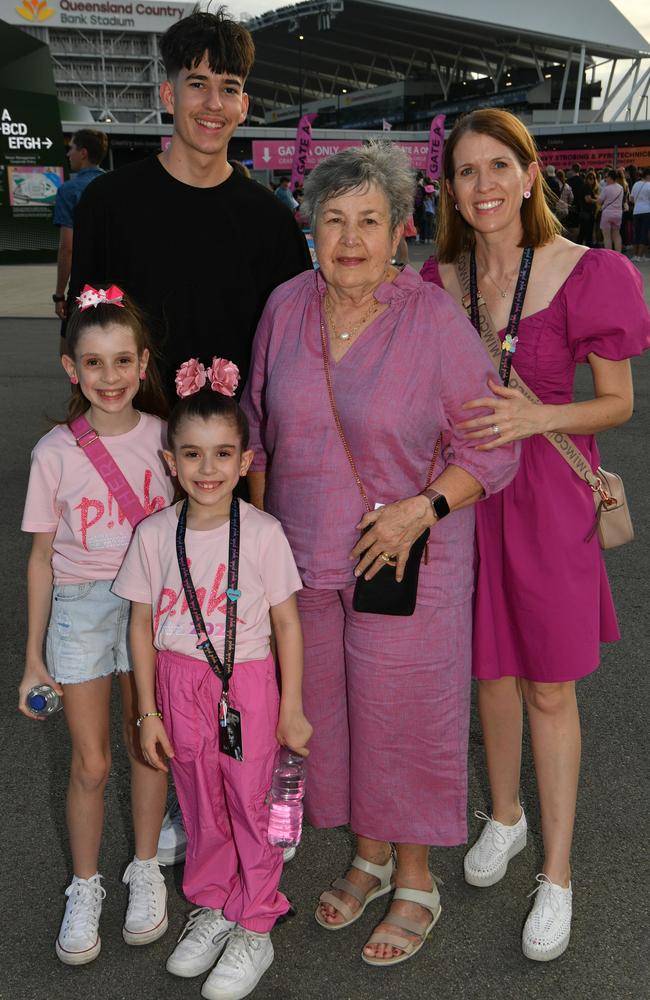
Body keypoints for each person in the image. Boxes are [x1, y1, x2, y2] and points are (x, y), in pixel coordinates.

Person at [241, 142, 519, 968]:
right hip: (304, 565)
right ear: (311, 229)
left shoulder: (430, 319)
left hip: (410, 565)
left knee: (404, 722)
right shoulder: (285, 306)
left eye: (370, 220)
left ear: (401, 232)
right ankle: (366, 854)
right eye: (334, 219)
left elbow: (492, 449)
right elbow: (259, 433)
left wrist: (421, 509)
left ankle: (415, 879)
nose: (351, 238)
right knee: (332, 717)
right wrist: (252, 558)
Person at [421, 107, 650, 962]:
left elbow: (618, 403)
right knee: (489, 672)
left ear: (529, 174)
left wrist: (537, 415)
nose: (482, 186)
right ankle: (506, 817)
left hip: (551, 496)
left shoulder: (589, 270)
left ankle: (556, 872)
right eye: (466, 171)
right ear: (450, 187)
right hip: (469, 498)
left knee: (550, 685)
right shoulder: (438, 278)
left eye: (497, 167)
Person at [113, 365, 311, 1000]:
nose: (207, 469)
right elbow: (140, 625)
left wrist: (293, 707)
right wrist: (147, 711)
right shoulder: (151, 535)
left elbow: (287, 624)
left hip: (246, 684)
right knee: (199, 801)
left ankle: (256, 918)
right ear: (170, 460)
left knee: (252, 803)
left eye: (223, 454)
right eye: (192, 454)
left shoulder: (262, 533)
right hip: (178, 685)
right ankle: (216, 903)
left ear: (244, 458)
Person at [18, 287, 174, 965]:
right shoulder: (54, 451)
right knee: (91, 762)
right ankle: (85, 886)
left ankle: (145, 868)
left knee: (149, 746)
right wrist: (32, 656)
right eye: (93, 363)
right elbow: (42, 558)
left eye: (121, 361)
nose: (108, 377)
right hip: (80, 608)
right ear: (69, 369)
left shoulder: (168, 439)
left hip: (150, 609)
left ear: (143, 363)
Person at [68, 8, 312, 396]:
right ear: (169, 94)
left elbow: (296, 350)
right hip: (134, 437)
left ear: (244, 105)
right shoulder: (108, 203)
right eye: (198, 84)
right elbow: (82, 331)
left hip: (235, 446)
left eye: (229, 88)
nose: (214, 103)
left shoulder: (272, 221)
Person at [52, 130, 108, 344]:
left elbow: (67, 248)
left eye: (71, 148)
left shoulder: (69, 191)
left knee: (72, 353)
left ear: (83, 153)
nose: (68, 154)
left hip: (84, 287)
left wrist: (59, 296)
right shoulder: (116, 186)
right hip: (116, 287)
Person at [598, 169, 624, 252]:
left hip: (607, 214)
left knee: (607, 237)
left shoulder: (606, 189)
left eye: (607, 177)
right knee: (616, 235)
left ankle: (609, 256)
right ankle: (619, 255)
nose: (606, 179)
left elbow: (599, 201)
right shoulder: (621, 188)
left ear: (610, 177)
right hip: (618, 214)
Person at [630, 166, 650, 263]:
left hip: (636, 211)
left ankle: (635, 255)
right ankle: (640, 255)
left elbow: (631, 199)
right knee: (644, 233)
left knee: (636, 233)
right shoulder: (649, 185)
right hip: (647, 211)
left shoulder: (636, 184)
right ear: (648, 176)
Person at [578, 170, 599, 246]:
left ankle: (581, 246)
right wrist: (597, 200)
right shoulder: (587, 187)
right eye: (590, 178)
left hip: (587, 213)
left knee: (583, 232)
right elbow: (588, 199)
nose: (592, 180)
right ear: (586, 179)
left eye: (593, 178)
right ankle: (588, 247)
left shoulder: (588, 187)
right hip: (587, 213)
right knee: (587, 232)